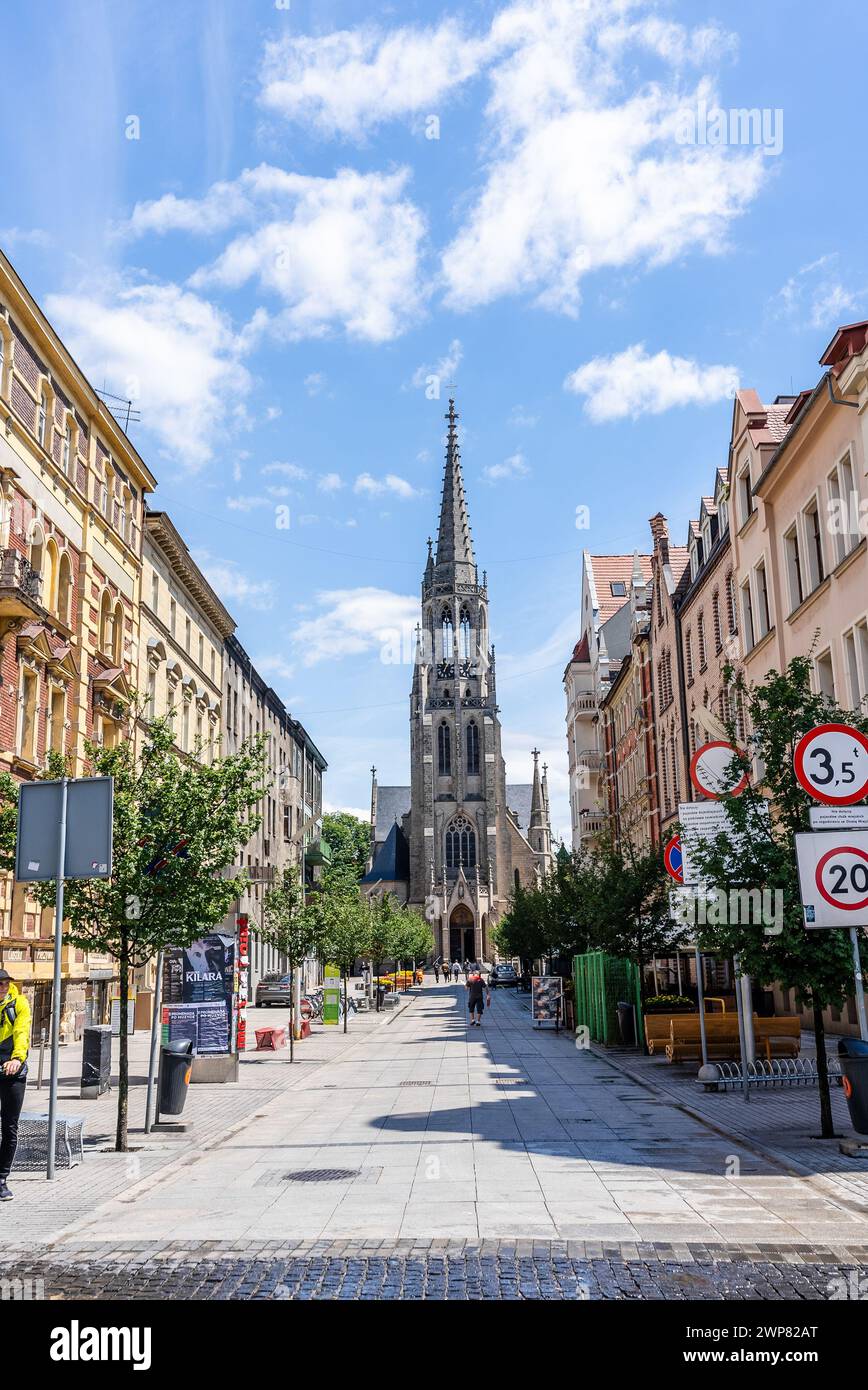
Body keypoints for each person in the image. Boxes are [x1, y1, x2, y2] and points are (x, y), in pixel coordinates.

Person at [0, 969, 31, 1200]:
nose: (2, 987)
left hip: (12, 1070)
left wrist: (17, 1059)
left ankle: (1, 1179)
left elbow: (22, 1032)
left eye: (5, 983)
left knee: (9, 1128)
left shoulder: (18, 1003)